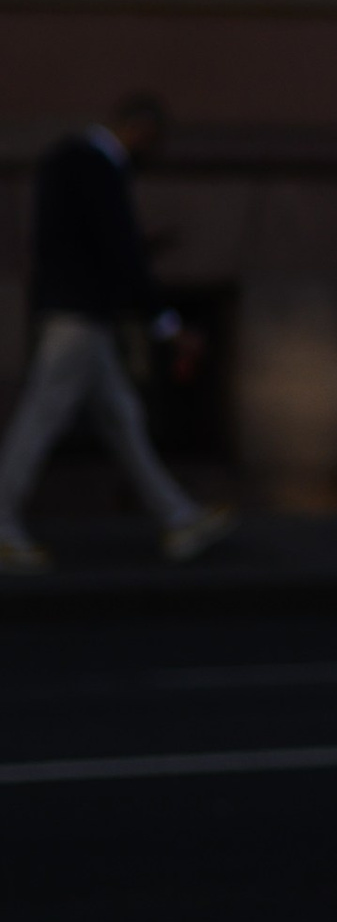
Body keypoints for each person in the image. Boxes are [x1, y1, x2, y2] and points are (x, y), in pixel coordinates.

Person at [0, 95, 232, 572]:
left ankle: (178, 515)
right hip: (79, 316)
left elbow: (87, 242)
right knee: (42, 417)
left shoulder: (68, 160)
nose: (150, 154)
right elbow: (117, 249)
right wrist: (165, 324)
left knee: (121, 416)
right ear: (138, 129)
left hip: (80, 311)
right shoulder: (97, 166)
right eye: (152, 142)